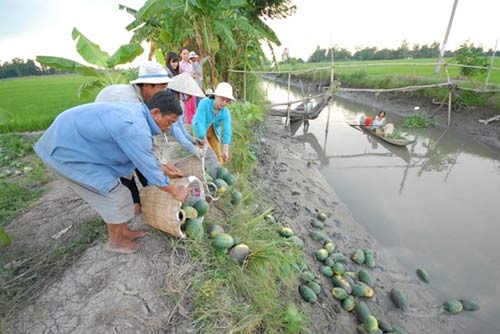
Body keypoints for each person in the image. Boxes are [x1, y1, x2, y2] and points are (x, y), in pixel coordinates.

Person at [34, 90, 189, 254]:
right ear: (156, 112)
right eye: (169, 122)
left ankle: (123, 232)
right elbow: (148, 166)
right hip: (64, 150)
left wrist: (162, 167)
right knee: (114, 193)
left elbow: (142, 156)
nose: (168, 128)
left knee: (118, 191)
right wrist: (173, 190)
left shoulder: (139, 115)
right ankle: (116, 241)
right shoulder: (135, 127)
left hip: (79, 142)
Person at [95, 61, 205, 214]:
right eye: (161, 87)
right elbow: (140, 146)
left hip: (124, 135)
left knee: (143, 163)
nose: (164, 91)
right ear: (147, 86)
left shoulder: (146, 101)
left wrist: (164, 162)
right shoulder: (129, 104)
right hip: (106, 138)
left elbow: (147, 141)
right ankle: (135, 200)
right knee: (127, 165)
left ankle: (149, 193)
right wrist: (167, 180)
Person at [192, 82, 235, 164]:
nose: (224, 103)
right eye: (222, 99)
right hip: (199, 129)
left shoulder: (225, 112)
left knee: (218, 157)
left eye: (227, 101)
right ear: (215, 96)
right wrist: (206, 143)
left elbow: (227, 130)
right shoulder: (204, 103)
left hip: (213, 131)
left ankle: (217, 173)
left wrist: (226, 150)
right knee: (202, 154)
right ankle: (202, 172)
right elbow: (200, 123)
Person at [179, 47, 197, 124]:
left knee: (193, 105)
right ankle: (189, 123)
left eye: (187, 53)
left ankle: (194, 122)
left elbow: (192, 74)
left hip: (191, 86)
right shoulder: (179, 65)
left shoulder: (190, 65)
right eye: (184, 53)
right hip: (184, 88)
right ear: (181, 54)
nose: (186, 55)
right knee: (187, 106)